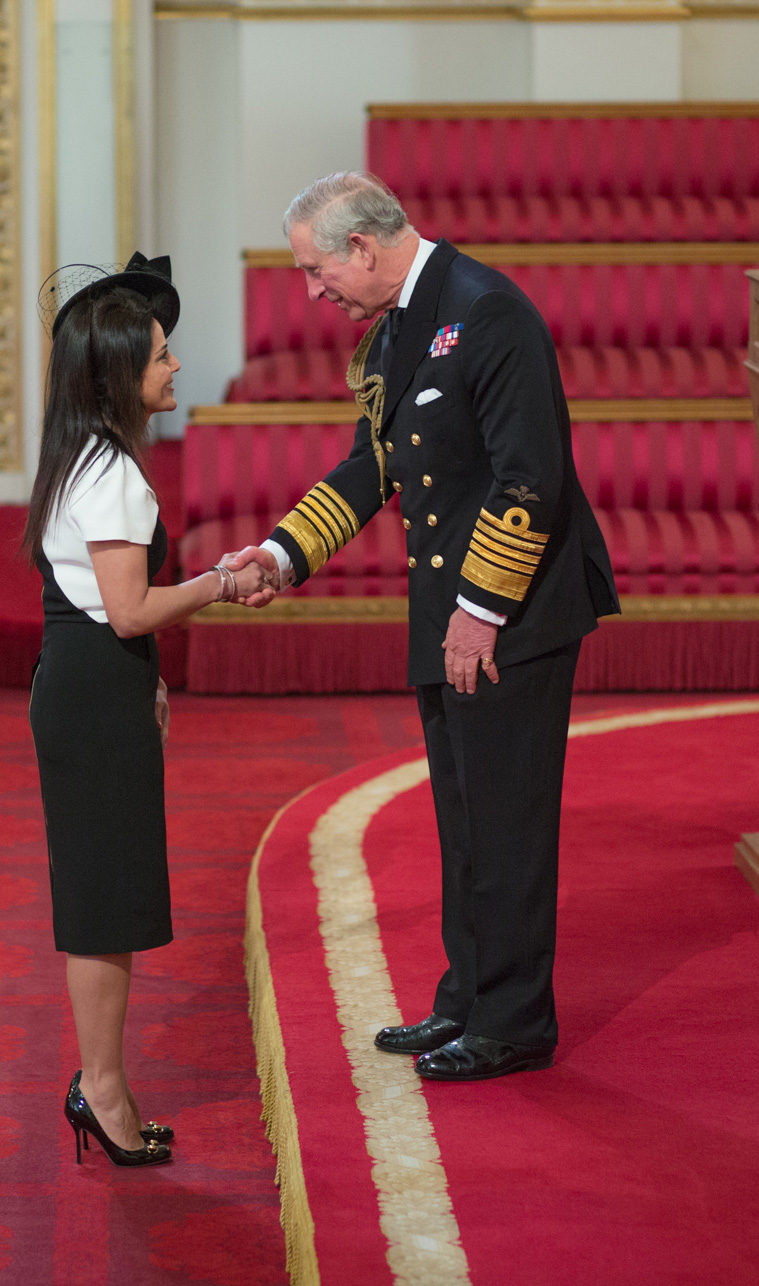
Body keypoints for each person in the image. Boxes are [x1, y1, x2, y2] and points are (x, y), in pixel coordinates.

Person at [230, 172, 618, 1082]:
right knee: (466, 818)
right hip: (452, 609)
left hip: (508, 613)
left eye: (316, 269)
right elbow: (377, 462)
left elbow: (533, 479)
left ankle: (515, 1021)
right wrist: (284, 554)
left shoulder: (487, 312)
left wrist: (480, 614)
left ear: (362, 248)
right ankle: (467, 1000)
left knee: (508, 823)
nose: (312, 291)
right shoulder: (406, 318)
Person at [27, 255, 266, 1167]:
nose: (175, 368)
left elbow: (98, 605)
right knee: (105, 908)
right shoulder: (114, 473)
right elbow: (129, 607)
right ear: (121, 373)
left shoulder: (83, 454)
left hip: (91, 677)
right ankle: (103, 1091)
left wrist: (147, 675)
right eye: (162, 355)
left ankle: (102, 1083)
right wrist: (220, 581)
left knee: (106, 900)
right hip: (93, 690)